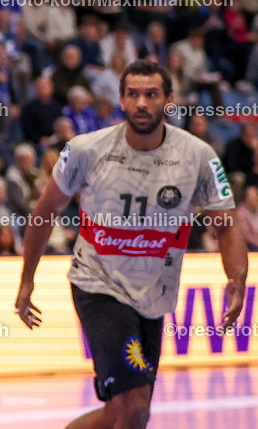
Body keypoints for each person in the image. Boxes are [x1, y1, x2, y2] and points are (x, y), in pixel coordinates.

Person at [15, 60, 246, 429]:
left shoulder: (199, 156)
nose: (142, 103)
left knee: (125, 414)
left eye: (151, 94)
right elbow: (45, 211)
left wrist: (237, 277)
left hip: (153, 297)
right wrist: (27, 279)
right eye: (133, 94)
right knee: (135, 408)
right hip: (98, 285)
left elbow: (225, 224)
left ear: (169, 100)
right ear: (121, 100)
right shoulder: (86, 150)